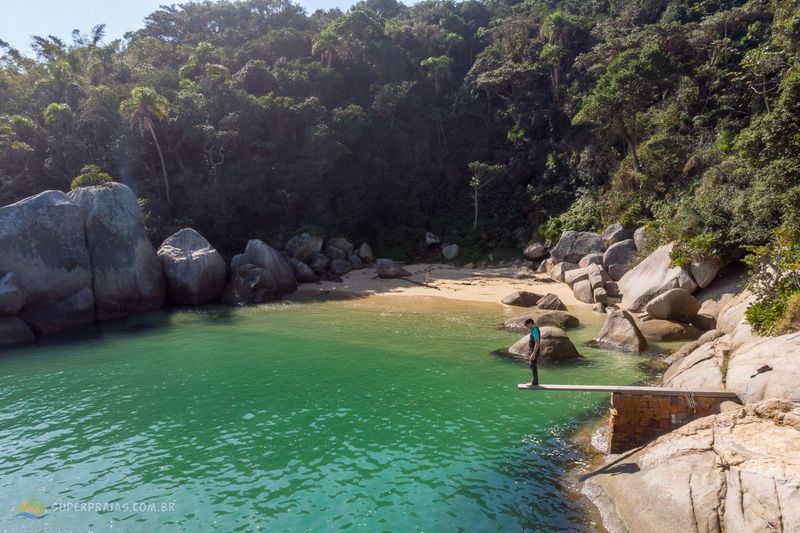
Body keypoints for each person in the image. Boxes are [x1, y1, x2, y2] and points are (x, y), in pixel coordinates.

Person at [524, 318, 541, 386]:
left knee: (533, 365)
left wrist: (533, 353)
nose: (528, 327)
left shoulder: (535, 330)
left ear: (531, 323)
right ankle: (534, 382)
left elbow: (537, 342)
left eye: (527, 326)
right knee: (532, 365)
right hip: (533, 350)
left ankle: (535, 382)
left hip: (534, 351)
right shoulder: (534, 329)